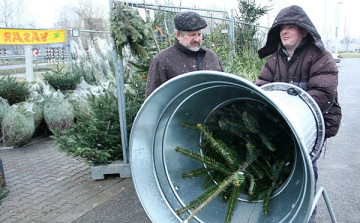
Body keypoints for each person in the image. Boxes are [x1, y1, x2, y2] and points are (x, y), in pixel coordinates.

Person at [255, 5, 342, 223]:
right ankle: (278, 214)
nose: (284, 32)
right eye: (282, 28)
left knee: (304, 173)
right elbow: (260, 90)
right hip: (279, 127)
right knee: (274, 171)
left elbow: (322, 94)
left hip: (309, 127)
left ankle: (305, 217)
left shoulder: (320, 57)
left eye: (290, 27)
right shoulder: (274, 60)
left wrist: (290, 114)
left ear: (303, 31)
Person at [145, 11, 223, 98]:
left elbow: (224, 88)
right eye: (192, 35)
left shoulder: (211, 57)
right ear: (178, 35)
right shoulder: (162, 60)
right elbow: (153, 101)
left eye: (199, 34)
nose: (196, 39)